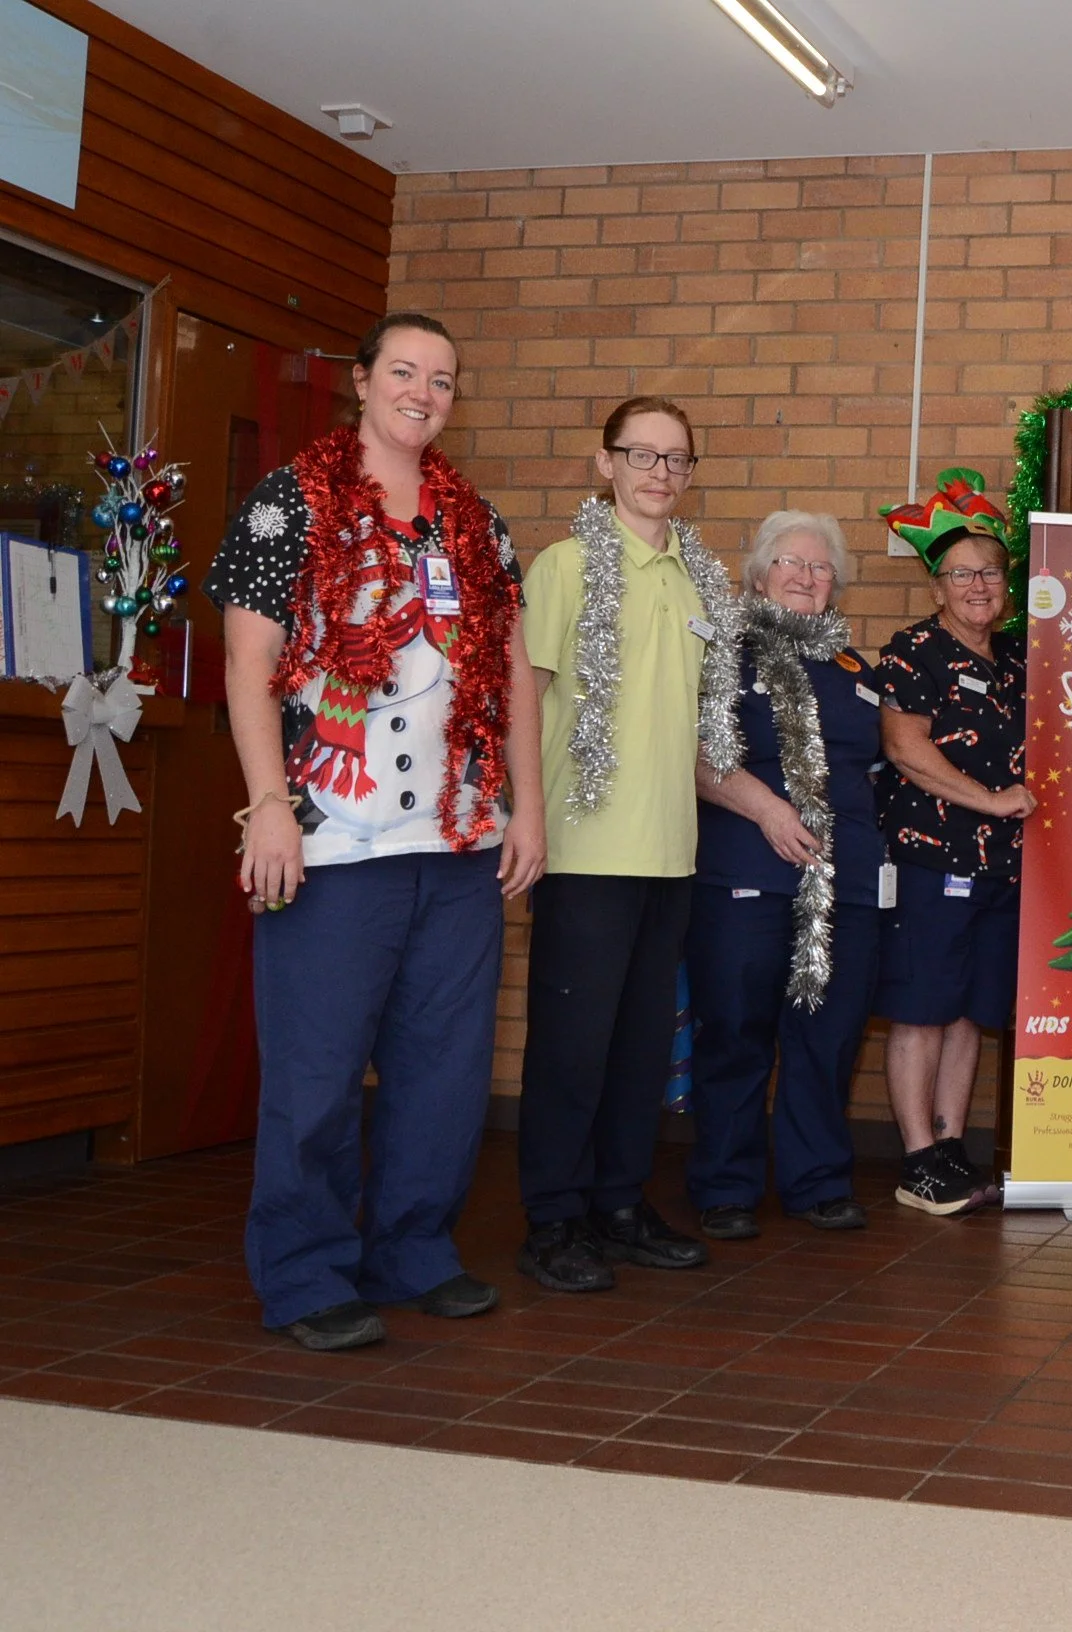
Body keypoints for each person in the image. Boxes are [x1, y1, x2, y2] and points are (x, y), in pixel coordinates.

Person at [210, 312, 543, 1351]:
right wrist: (269, 804)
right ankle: (307, 1273)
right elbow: (248, 664)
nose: (423, 391)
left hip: (455, 844)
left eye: (442, 379)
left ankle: (413, 1250)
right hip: (333, 842)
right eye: (404, 371)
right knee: (316, 1072)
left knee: (444, 1070)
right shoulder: (291, 504)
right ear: (360, 382)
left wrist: (523, 807)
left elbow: (516, 677)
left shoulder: (473, 522)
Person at [517, 396, 737, 1292]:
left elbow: (696, 732)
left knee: (642, 1048)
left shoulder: (702, 585)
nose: (658, 472)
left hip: (670, 856)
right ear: (603, 463)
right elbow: (521, 701)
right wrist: (523, 817)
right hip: (582, 853)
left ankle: (617, 1201)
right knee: (571, 1048)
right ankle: (554, 1219)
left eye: (676, 459)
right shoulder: (565, 567)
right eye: (640, 454)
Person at [685, 511, 882, 1239]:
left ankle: (817, 1180)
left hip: (849, 883)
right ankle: (726, 1185)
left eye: (820, 567)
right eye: (790, 564)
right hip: (745, 875)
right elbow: (696, 756)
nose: (805, 576)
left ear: (835, 586)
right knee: (735, 1031)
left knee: (827, 1037)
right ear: (759, 576)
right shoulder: (725, 655)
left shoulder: (858, 673)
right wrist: (768, 811)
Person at [874, 469, 1031, 1215]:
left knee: (971, 1009)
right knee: (923, 1007)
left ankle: (949, 1148)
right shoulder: (913, 652)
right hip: (932, 861)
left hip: (1003, 868)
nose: (979, 585)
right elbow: (907, 750)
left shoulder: (1018, 660)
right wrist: (994, 801)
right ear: (936, 587)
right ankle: (915, 1160)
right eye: (962, 574)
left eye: (990, 572)